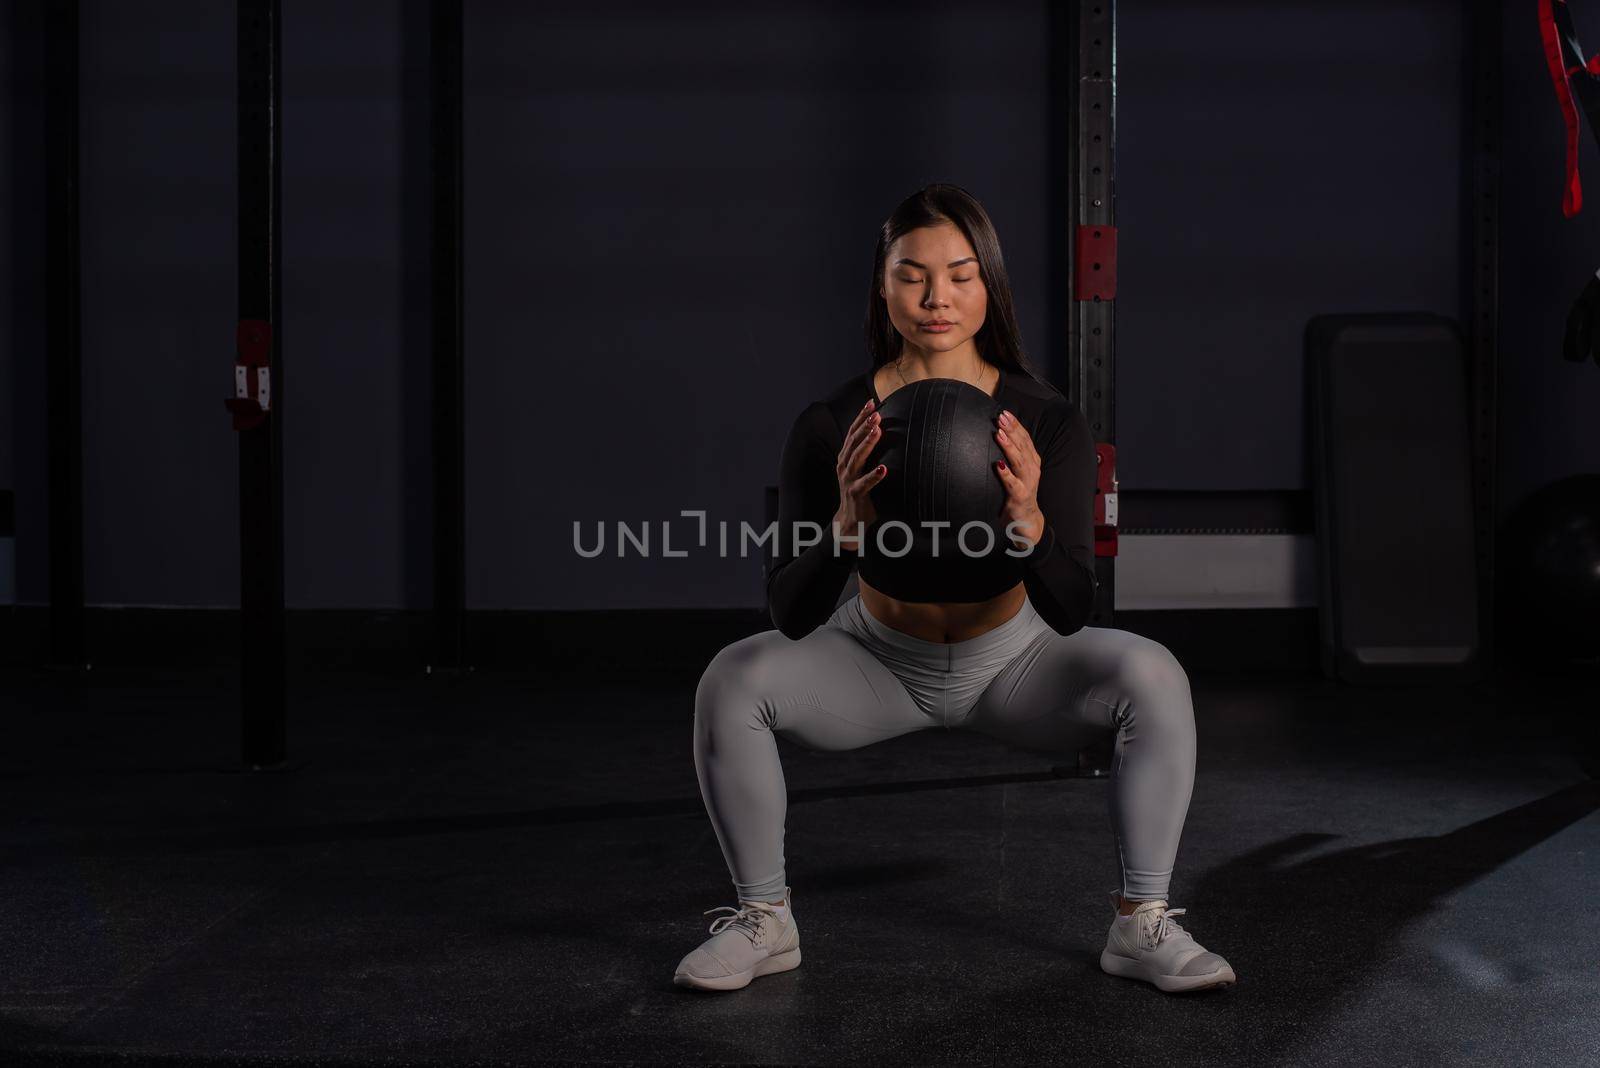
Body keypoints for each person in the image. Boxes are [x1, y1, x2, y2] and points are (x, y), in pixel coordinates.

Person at [674, 184, 1236, 995]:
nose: (937, 297)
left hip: (1016, 661)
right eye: (912, 274)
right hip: (876, 660)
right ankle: (766, 920)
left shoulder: (1044, 420)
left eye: (961, 274)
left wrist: (1030, 525)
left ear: (990, 285)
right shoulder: (833, 424)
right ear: (882, 283)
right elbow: (791, 612)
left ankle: (1139, 923)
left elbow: (1075, 609)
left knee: (1152, 672)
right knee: (732, 678)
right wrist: (844, 531)